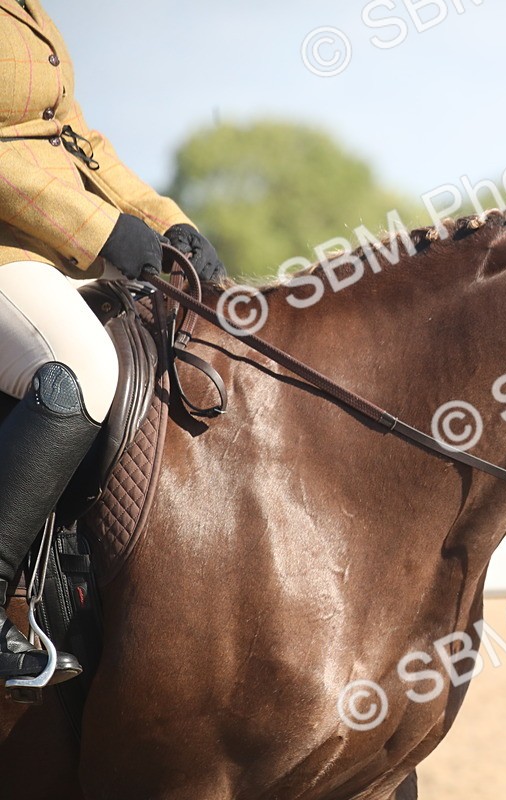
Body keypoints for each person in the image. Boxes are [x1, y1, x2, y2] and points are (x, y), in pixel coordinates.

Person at [0, 0, 224, 685]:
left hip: (48, 253)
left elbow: (74, 139)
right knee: (83, 367)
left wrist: (167, 220)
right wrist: (101, 232)